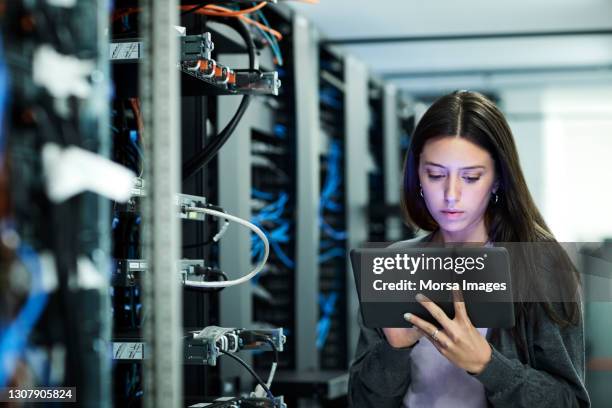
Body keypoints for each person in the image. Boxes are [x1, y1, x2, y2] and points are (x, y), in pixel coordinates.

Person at [348, 91, 590, 407]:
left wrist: (487, 364)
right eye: (435, 175)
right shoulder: (396, 263)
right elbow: (362, 401)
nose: (451, 194)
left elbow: (569, 402)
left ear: (498, 180)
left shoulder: (540, 265)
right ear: (417, 174)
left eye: (471, 177)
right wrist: (394, 351)